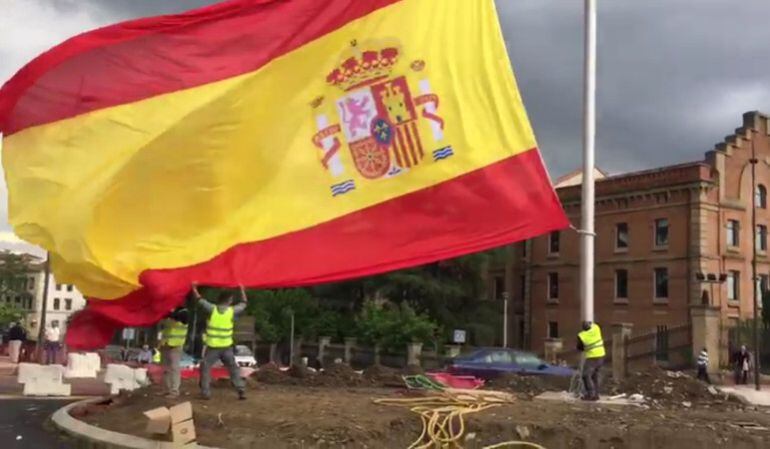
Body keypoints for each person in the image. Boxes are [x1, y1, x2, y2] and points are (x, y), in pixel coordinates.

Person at [192, 284, 247, 401]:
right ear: (229, 300)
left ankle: (205, 392)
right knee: (233, 369)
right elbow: (244, 303)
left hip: (213, 347)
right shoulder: (232, 311)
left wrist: (194, 288)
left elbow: (199, 300)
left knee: (206, 368)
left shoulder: (212, 309)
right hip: (227, 347)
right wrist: (242, 289)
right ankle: (240, 389)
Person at [158, 307, 189, 398]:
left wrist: (169, 312)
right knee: (165, 368)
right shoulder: (170, 314)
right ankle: (166, 389)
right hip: (166, 344)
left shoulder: (183, 312)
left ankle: (174, 391)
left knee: (174, 369)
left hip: (176, 345)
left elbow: (180, 317)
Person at [576, 320, 606, 401]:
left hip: (592, 357)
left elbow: (579, 347)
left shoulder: (582, 335)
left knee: (586, 375)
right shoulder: (596, 328)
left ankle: (590, 394)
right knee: (595, 376)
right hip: (601, 355)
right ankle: (596, 394)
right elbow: (595, 323)